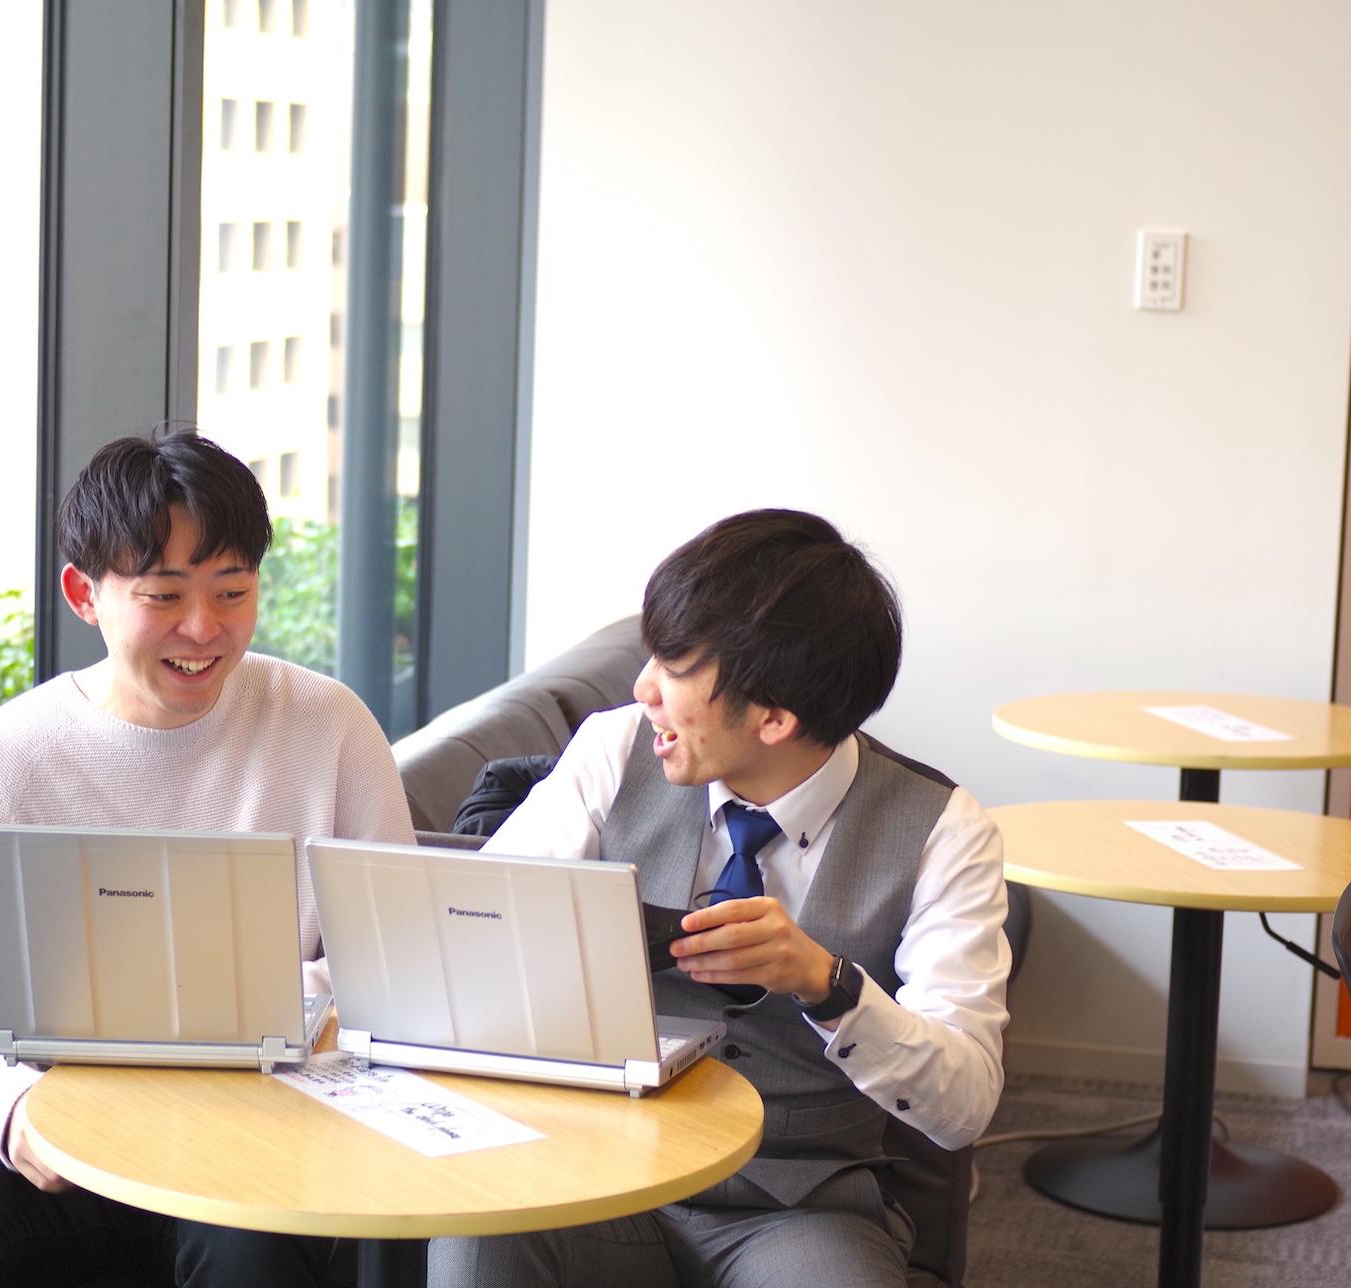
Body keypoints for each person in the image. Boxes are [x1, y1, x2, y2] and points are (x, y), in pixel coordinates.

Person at [0, 429, 416, 1288]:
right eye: (165, 596)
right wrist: (14, 1111)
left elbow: (395, 955)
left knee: (253, 1253)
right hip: (59, 1120)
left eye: (233, 591)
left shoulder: (328, 728)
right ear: (85, 593)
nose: (204, 628)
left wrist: (282, 1002)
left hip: (257, 1125)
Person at [429, 509, 1010, 1288]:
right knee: (474, 1240)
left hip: (798, 1207)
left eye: (673, 670)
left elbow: (964, 1103)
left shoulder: (944, 830)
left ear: (774, 717)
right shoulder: (614, 749)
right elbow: (472, 937)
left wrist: (827, 984)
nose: (643, 690)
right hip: (598, 1174)